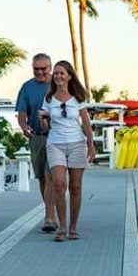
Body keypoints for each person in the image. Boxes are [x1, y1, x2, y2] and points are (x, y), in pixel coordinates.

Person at [38, 60, 96, 242]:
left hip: (77, 143)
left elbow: (85, 122)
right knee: (59, 184)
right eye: (56, 73)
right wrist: (44, 120)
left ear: (69, 76)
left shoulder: (78, 97)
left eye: (62, 73)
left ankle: (73, 227)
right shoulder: (49, 99)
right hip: (55, 144)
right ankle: (62, 226)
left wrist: (91, 144)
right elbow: (46, 127)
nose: (58, 76)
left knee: (76, 187)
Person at [15, 53, 57, 232]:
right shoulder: (27, 87)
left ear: (50, 67)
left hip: (57, 136)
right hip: (37, 137)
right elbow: (22, 113)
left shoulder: (58, 85)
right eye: (36, 69)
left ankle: (50, 216)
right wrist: (24, 127)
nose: (40, 72)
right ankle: (50, 211)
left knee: (52, 176)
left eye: (44, 69)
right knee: (42, 177)